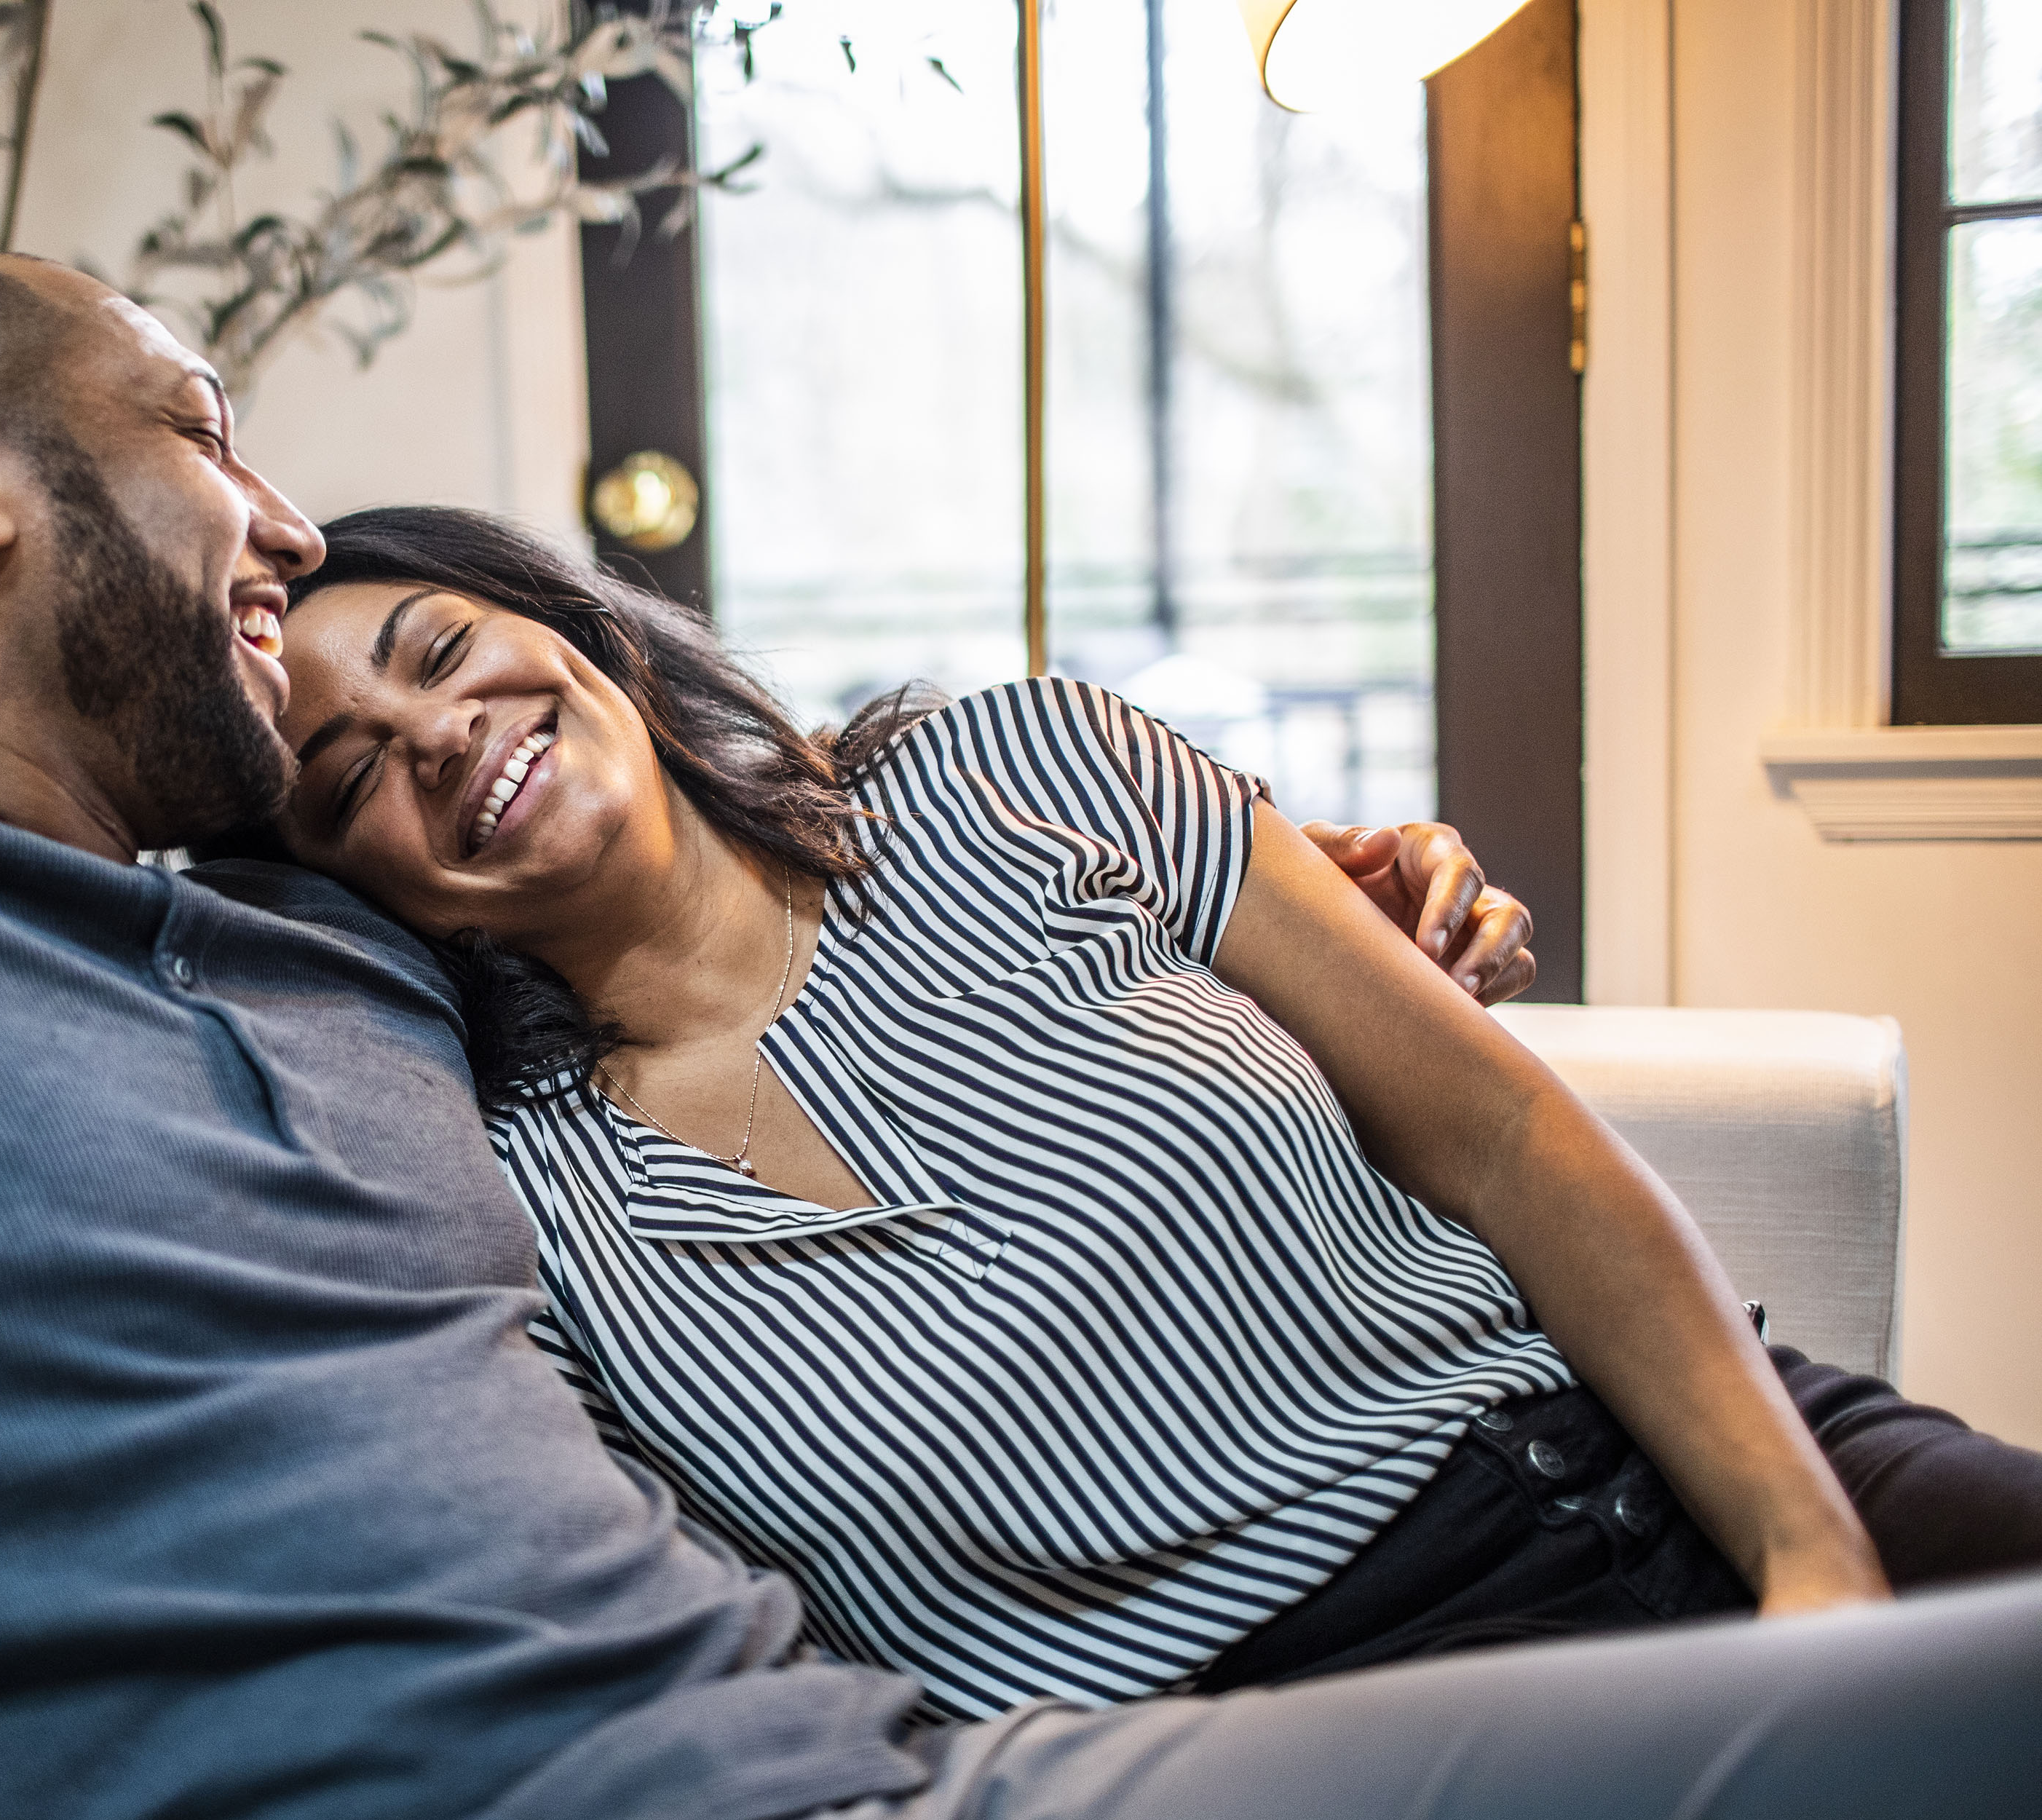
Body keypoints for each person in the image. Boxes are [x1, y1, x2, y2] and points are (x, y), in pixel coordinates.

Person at [0, 252, 2033, 1820]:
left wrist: (1340, 891)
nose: (271, 518)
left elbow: (766, 847)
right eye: (203, 406)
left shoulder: (328, 965)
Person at [250, 503, 2042, 1716]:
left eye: (438, 644)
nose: (434, 731)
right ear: (367, 890)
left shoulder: (1024, 763)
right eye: (347, 775)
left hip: (1678, 1462)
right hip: (1322, 1726)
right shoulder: (515, 1199)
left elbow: (1505, 1135)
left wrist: (1811, 1557)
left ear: (569, 629)